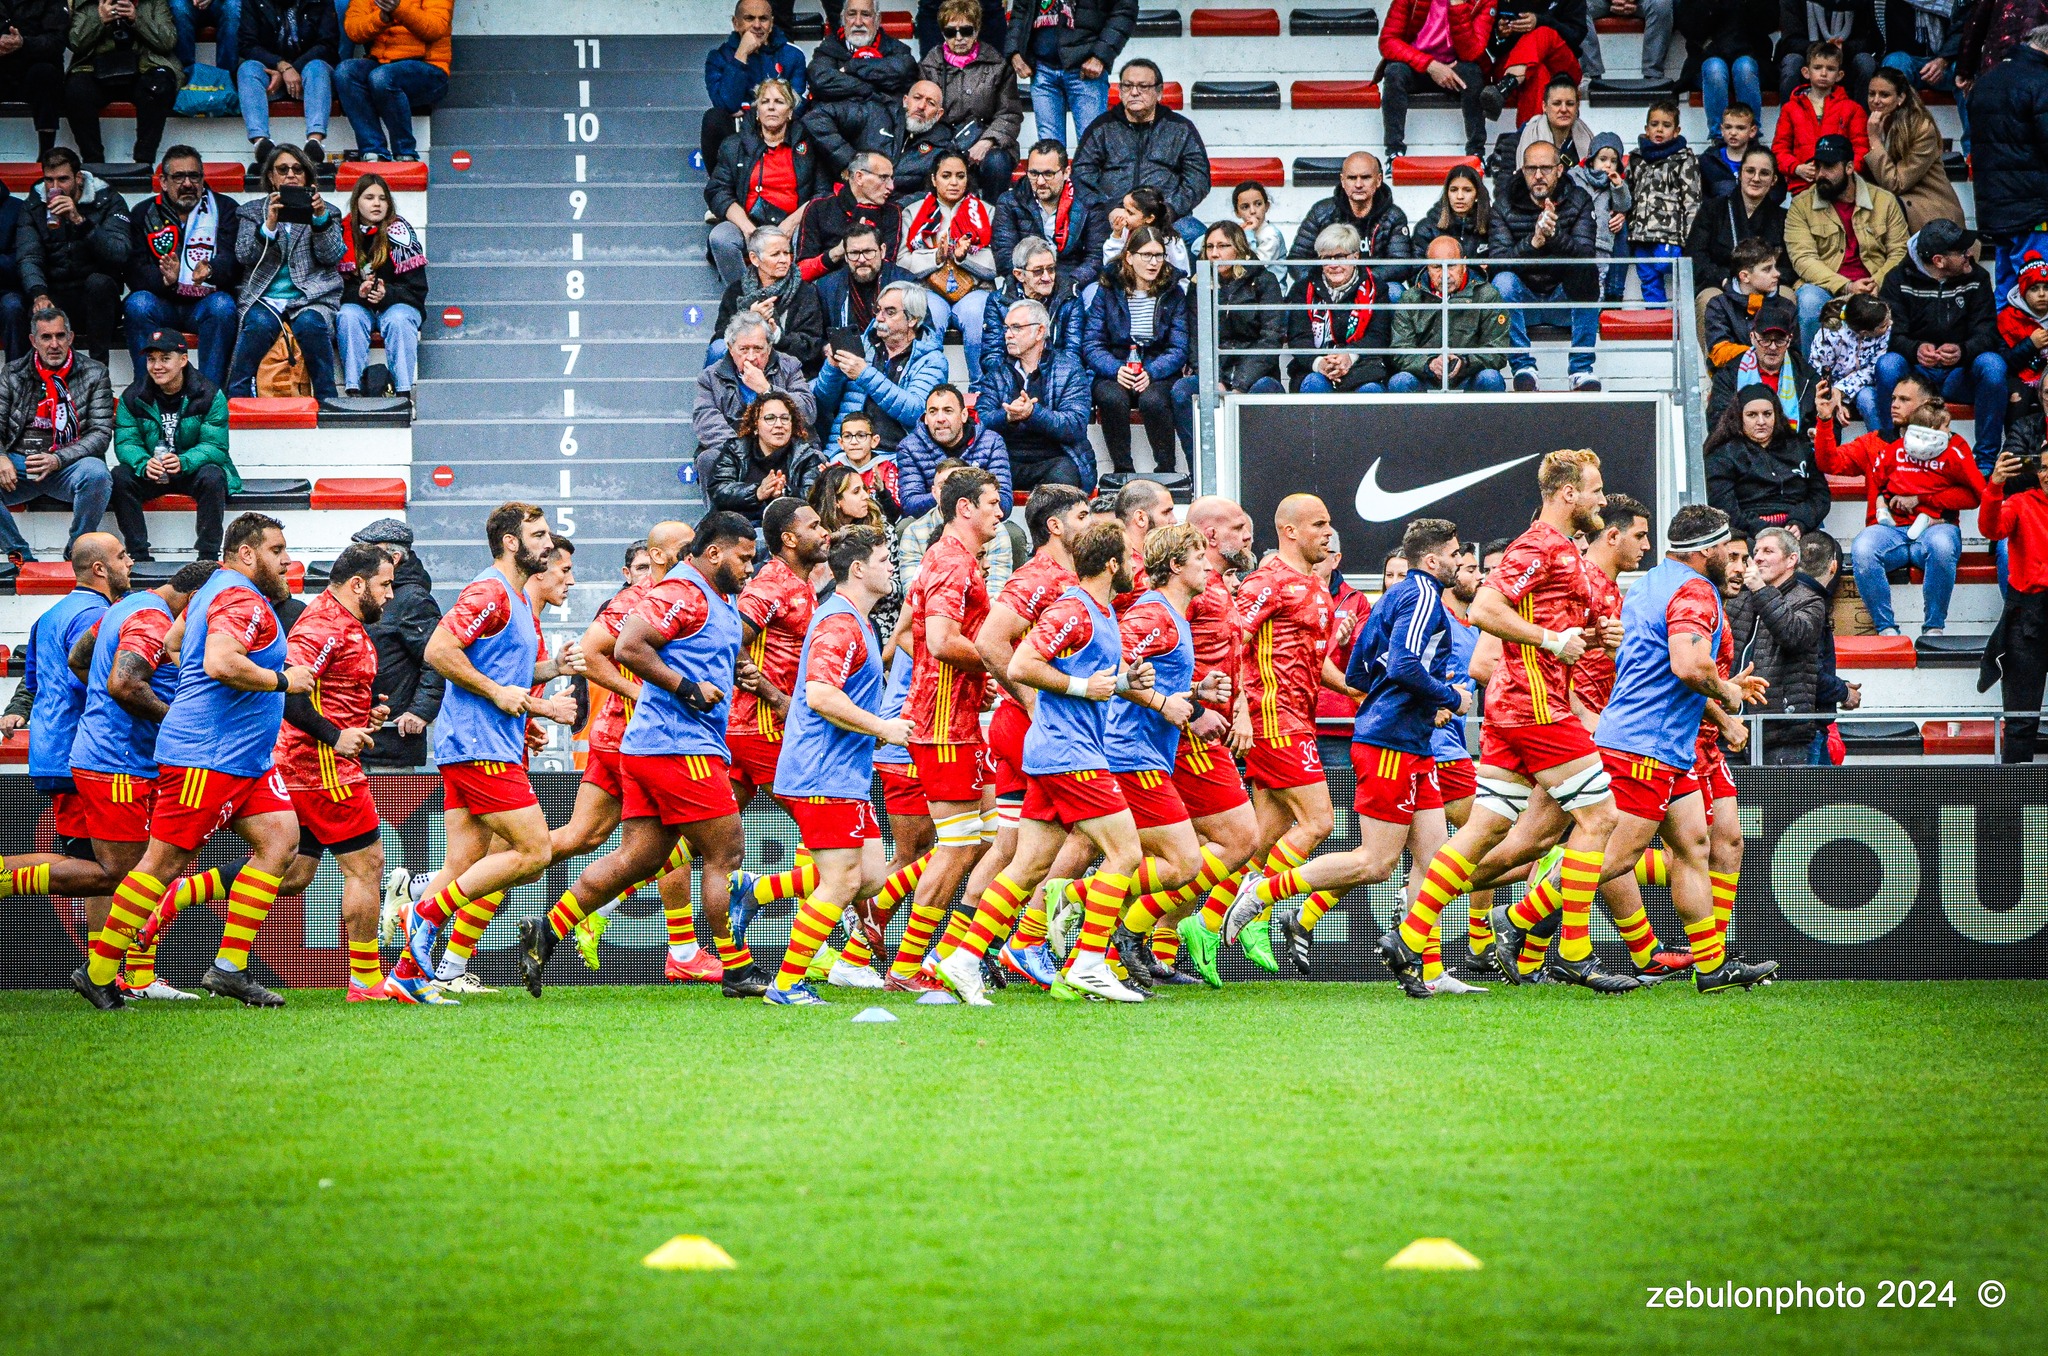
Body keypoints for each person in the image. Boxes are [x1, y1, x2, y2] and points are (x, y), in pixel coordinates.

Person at [1377, 450, 1635, 995]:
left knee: (1485, 828)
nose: (1601, 499)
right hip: (1536, 707)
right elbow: (1484, 609)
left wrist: (1592, 638)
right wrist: (1551, 641)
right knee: (1601, 817)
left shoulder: (1562, 549)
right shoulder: (1537, 544)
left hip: (1514, 709)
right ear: (1567, 495)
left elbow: (1554, 625)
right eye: (1595, 489)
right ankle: (1573, 953)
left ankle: (1410, 934)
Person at [516, 513, 764, 998]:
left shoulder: (711, 596)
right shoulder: (681, 592)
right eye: (745, 557)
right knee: (725, 852)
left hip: (651, 747)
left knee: (638, 860)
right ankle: (738, 971)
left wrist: (732, 672)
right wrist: (687, 688)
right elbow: (628, 647)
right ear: (713, 553)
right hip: (679, 747)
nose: (750, 568)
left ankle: (545, 933)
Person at [72, 514, 310, 1010]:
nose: (287, 560)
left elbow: (176, 643)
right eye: (277, 550)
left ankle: (229, 968)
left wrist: (201, 695)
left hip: (244, 758)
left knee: (281, 839)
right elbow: (220, 662)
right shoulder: (240, 597)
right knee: (160, 864)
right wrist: (284, 681)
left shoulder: (210, 590)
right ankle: (97, 974)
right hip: (207, 758)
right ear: (247, 553)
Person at [1230, 518, 1470, 980]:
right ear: (1434, 559)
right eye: (1457, 554)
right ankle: (1264, 893)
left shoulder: (1392, 597)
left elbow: (1359, 672)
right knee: (1376, 864)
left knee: (1436, 863)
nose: (1461, 562)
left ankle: (1430, 968)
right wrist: (1448, 696)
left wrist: (1398, 698)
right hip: (1390, 743)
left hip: (1409, 742)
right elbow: (1402, 664)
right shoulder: (1421, 595)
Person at [941, 519, 1157, 1003]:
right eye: (1128, 556)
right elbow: (1020, 665)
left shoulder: (1098, 613)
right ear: (1111, 563)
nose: (1135, 565)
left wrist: (1124, 683)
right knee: (1125, 853)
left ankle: (961, 958)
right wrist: (1085, 688)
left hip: (1057, 751)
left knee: (1029, 865)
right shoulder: (1073, 609)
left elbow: (1085, 676)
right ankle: (1088, 963)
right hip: (1069, 754)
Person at [394, 503, 586, 1001]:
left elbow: (502, 671)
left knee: (460, 867)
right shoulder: (490, 591)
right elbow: (439, 650)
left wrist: (545, 671)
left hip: (476, 746)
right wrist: (500, 695)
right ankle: (423, 911)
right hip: (482, 748)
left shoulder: (517, 599)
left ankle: (406, 975)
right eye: (539, 535)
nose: (548, 544)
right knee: (535, 850)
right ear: (509, 541)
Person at [1590, 504, 1777, 990]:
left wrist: (1717, 699)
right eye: (1727, 550)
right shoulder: (1696, 590)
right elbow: (1689, 667)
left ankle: (1712, 967)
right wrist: (1728, 693)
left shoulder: (1650, 583)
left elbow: (1663, 662)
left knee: (1697, 844)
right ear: (1707, 550)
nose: (1734, 560)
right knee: (1616, 857)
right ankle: (1520, 917)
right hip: (1646, 741)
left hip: (1665, 743)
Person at [758, 525, 906, 1003]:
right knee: (842, 880)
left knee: (869, 879)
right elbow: (821, 695)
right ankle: (786, 985)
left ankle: (753, 892)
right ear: (859, 569)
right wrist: (883, 728)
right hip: (823, 772)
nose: (892, 568)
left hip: (845, 776)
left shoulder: (855, 620)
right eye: (885, 561)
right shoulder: (838, 623)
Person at [63, 557, 218, 999]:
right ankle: (111, 974)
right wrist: (176, 723)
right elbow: (124, 685)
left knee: (136, 874)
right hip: (119, 763)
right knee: (127, 876)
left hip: (116, 757)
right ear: (195, 599)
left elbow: (81, 658)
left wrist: (103, 712)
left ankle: (123, 976)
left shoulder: (127, 606)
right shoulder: (153, 620)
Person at [1216, 495, 1356, 973]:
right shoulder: (1267, 581)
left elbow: (1316, 665)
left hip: (1299, 718)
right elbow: (1233, 640)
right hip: (1272, 720)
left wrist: (1357, 691)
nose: (1328, 533)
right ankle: (1260, 904)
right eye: (1319, 524)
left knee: (1260, 839)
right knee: (1320, 823)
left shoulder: (1317, 587)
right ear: (1290, 531)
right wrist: (1237, 710)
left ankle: (1203, 919)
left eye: (1329, 523)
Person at [883, 466, 1001, 989]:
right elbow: (939, 640)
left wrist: (973, 673)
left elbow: (910, 635)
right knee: (958, 844)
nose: (1001, 511)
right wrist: (996, 664)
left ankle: (929, 947)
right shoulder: (953, 564)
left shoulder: (944, 559)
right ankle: (909, 966)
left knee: (987, 838)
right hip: (944, 726)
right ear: (965, 508)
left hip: (953, 719)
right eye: (994, 502)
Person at [263, 541, 397, 999]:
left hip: (314, 763)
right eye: (385, 585)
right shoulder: (321, 626)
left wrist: (362, 720)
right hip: (321, 768)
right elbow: (290, 695)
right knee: (368, 866)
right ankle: (366, 981)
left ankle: (176, 895)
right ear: (357, 584)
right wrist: (336, 735)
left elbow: (327, 695)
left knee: (292, 875)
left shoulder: (346, 623)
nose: (390, 595)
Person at [1815, 380, 1985, 638]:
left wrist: (1921, 498)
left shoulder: (1952, 443)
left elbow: (1972, 495)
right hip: (1888, 532)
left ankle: (1933, 629)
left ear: (1927, 405)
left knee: (1942, 546)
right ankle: (1886, 629)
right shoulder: (1875, 442)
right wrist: (1825, 420)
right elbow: (1830, 462)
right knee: (1862, 548)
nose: (1894, 404)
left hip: (1934, 529)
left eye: (1904, 399)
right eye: (1893, 398)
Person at [1874, 219, 2007, 467]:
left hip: (1960, 373)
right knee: (1888, 365)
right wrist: (1915, 349)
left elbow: (1988, 333)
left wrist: (1963, 351)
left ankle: (1985, 462)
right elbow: (1889, 335)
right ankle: (1891, 450)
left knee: (1993, 365)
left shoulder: (1978, 277)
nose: (1970, 254)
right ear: (1939, 260)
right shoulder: (1897, 279)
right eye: (1961, 252)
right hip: (1917, 375)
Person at [227, 143, 344, 399]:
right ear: (271, 176)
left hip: (312, 297)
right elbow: (244, 255)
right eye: (283, 169)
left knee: (312, 324)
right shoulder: (251, 212)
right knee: (257, 325)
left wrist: (320, 218)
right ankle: (236, 400)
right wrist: (268, 224)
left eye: (297, 169)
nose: (291, 175)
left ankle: (328, 400)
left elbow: (332, 255)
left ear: (307, 176)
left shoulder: (329, 212)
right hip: (264, 297)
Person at [0, 306, 115, 564]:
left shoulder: (95, 373)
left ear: (71, 337)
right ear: (33, 341)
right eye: (46, 337)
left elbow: (100, 433)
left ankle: (78, 550)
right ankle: (20, 555)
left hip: (68, 466)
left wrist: (58, 459)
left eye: (60, 336)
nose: (54, 344)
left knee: (97, 474)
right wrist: (1, 457)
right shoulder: (13, 372)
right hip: (20, 465)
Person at [109, 328, 236, 561]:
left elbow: (215, 447)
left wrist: (185, 461)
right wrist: (143, 464)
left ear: (183, 360)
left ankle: (207, 556)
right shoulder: (133, 396)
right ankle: (138, 554)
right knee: (120, 476)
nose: (157, 366)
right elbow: (126, 442)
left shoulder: (209, 394)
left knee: (213, 476)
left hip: (190, 469)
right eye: (151, 359)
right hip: (153, 470)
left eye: (165, 358)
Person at [122, 148, 241, 391]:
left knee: (223, 306)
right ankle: (145, 391)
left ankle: (208, 395)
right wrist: (164, 279)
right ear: (163, 182)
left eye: (194, 176)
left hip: (204, 304)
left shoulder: (225, 208)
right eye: (178, 177)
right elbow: (133, 271)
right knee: (137, 304)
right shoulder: (144, 213)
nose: (188, 183)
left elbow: (235, 262)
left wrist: (210, 271)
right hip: (162, 303)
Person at [1786, 134, 1910, 357]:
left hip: (1876, 284)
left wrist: (1878, 281)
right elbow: (1802, 258)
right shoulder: (1801, 205)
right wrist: (1847, 286)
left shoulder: (1884, 201)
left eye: (1830, 167)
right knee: (1808, 299)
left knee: (1903, 293)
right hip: (1827, 288)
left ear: (1850, 167)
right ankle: (1813, 379)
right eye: (1818, 166)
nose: (1821, 174)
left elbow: (1900, 251)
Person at [1490, 140, 1600, 392]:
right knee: (1502, 282)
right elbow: (1497, 264)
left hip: (1562, 299)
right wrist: (1534, 241)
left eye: (1546, 168)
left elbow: (1585, 255)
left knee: (1587, 273)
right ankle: (1523, 367)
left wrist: (1554, 235)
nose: (1538, 175)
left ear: (1560, 170)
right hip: (1522, 302)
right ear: (1522, 171)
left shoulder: (1579, 199)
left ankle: (1581, 369)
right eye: (1531, 169)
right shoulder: (1504, 205)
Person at [1071, 58, 1210, 253]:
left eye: (1143, 86)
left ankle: (1188, 284)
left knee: (1201, 240)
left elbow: (1198, 179)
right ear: (1119, 91)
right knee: (1078, 238)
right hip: (1112, 218)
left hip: (1167, 219)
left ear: (1159, 92)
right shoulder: (1101, 127)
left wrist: (1167, 211)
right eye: (1127, 86)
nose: (1134, 92)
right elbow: (1082, 173)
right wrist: (1108, 209)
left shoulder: (1180, 128)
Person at [1082, 224, 1187, 475]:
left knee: (1154, 400)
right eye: (1146, 255)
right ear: (1129, 257)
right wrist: (1115, 369)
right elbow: (1092, 342)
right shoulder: (1108, 289)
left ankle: (1166, 470)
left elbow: (1179, 346)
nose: (1154, 262)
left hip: (1156, 367)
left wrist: (1151, 371)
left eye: (1159, 255)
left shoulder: (1173, 292)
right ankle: (1122, 471)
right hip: (1117, 364)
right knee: (1110, 397)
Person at [1174, 222, 1284, 456]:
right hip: (1215, 373)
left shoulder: (1264, 281)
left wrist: (1240, 385)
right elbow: (1195, 338)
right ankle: (1200, 466)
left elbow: (1270, 339)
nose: (1215, 253)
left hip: (1257, 375)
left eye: (1223, 246)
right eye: (1210, 247)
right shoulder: (1199, 285)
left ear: (1240, 248)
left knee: (1265, 390)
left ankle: (1255, 465)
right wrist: (1214, 380)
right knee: (1182, 391)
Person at [1720, 524, 1825, 764]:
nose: (1757, 558)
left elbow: (1794, 636)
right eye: (1755, 552)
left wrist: (1761, 590)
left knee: (1781, 802)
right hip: (1733, 725)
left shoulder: (1809, 601)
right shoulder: (1740, 599)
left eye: (1768, 551)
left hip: (1782, 734)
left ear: (1791, 560)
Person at [15, 149, 129, 364]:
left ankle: (100, 372)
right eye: (49, 180)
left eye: (63, 179)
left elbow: (119, 253)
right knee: (23, 305)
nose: (55, 187)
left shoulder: (108, 200)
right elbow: (28, 256)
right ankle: (40, 384)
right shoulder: (33, 206)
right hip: (56, 294)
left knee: (99, 284)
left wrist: (79, 220)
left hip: (97, 300)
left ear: (78, 178)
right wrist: (39, 294)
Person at [707, 79, 823, 290]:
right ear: (757, 111)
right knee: (721, 238)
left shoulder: (809, 146)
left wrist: (790, 225)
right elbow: (718, 191)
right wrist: (749, 230)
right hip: (749, 221)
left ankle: (791, 297)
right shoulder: (734, 145)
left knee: (808, 237)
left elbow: (822, 194)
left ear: (790, 112)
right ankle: (744, 297)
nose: (771, 106)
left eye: (779, 101)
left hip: (793, 223)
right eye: (765, 101)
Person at [812, 278, 948, 454]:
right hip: (846, 451)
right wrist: (832, 367)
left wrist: (864, 374)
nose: (879, 318)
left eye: (890, 312)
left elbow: (916, 413)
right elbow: (824, 403)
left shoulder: (932, 360)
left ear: (913, 319)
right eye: (878, 310)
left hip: (898, 455)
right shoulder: (860, 345)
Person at [978, 295, 1094, 492]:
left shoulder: (1069, 370)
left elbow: (1075, 425)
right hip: (1007, 460)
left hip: (1054, 459)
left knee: (1064, 474)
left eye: (1016, 327)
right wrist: (1007, 416)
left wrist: (1033, 414)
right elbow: (981, 420)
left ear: (1040, 331)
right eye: (1006, 328)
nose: (1008, 334)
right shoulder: (998, 371)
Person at [353, 516, 443, 767]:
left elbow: (439, 658)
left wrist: (421, 711)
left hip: (390, 746)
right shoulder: (366, 594)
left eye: (369, 551)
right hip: (360, 742)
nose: (359, 558)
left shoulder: (413, 599)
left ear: (394, 559)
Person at [1966, 23, 2048, 296]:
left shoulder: (1987, 80)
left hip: (1997, 208)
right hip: (2036, 210)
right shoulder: (2042, 82)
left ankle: (2005, 340)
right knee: (2039, 296)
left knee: (2008, 290)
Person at [691, 311, 815, 490]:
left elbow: (808, 412)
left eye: (758, 349)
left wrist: (767, 389)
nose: (751, 357)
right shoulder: (710, 377)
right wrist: (746, 450)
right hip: (732, 447)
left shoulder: (789, 366)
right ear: (730, 348)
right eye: (743, 349)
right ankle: (722, 518)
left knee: (814, 458)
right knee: (708, 459)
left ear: (769, 347)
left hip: (783, 446)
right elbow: (706, 422)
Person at [898, 149, 997, 373]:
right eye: (946, 175)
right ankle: (930, 385)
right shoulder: (913, 213)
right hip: (928, 290)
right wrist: (936, 257)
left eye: (960, 176)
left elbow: (996, 265)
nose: (954, 182)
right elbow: (902, 263)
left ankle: (980, 389)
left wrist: (964, 258)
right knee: (931, 315)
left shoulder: (987, 212)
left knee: (976, 315)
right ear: (933, 179)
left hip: (975, 290)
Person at [1980, 447, 2048, 762]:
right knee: (2021, 719)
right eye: (2043, 467)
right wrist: (1994, 485)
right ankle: (2012, 805)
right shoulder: (2022, 502)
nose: (2046, 474)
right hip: (2028, 619)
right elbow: (1990, 529)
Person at [916, 0, 1023, 201]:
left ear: (977, 30)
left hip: (987, 140)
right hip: (945, 140)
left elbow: (1010, 113)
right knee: (928, 160)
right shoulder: (929, 66)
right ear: (942, 33)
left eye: (966, 31)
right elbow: (923, 112)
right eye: (951, 32)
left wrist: (987, 141)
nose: (959, 38)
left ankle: (994, 216)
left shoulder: (998, 65)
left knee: (997, 162)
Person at [335, 172, 425, 396]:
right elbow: (333, 287)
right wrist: (360, 293)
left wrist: (387, 294)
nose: (377, 203)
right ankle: (353, 389)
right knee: (347, 316)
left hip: (397, 305)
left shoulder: (402, 233)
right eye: (369, 197)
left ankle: (403, 392)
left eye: (382, 198)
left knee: (399, 319)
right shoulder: (342, 233)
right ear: (357, 202)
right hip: (359, 306)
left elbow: (418, 289)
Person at [1704, 382, 1832, 538]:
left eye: (1767, 414)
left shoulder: (1799, 448)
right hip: (1748, 534)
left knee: (1825, 553)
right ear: (1739, 417)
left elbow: (1820, 495)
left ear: (1776, 415)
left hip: (1797, 530)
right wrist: (1765, 531)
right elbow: (1724, 508)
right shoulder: (1723, 454)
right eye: (1752, 415)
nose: (1761, 421)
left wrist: (1800, 521)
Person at [1687, 146, 1790, 338]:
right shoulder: (1712, 210)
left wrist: (1763, 282)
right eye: (1750, 171)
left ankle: (1779, 365)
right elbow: (1696, 255)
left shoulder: (1784, 218)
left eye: (1764, 173)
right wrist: (1726, 279)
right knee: (1707, 300)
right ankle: (1718, 367)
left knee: (1788, 296)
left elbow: (1790, 265)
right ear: (1740, 174)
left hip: (1769, 289)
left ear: (1774, 180)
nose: (1756, 178)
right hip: (1721, 285)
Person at [1006, 0, 1137, 151]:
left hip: (1086, 69)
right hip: (1041, 67)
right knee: (1049, 153)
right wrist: (1014, 51)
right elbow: (1021, 7)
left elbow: (1125, 9)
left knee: (1092, 150)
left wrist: (1101, 56)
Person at [702, 0, 808, 184]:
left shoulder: (793, 55)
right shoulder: (717, 57)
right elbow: (726, 105)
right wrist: (741, 54)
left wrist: (753, 110)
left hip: (780, 129)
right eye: (749, 18)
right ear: (736, 23)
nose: (757, 25)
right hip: (738, 132)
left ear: (772, 22)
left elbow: (796, 105)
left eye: (763, 19)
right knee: (713, 119)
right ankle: (722, 192)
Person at [1388, 235, 1510, 393]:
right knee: (1399, 381)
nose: (1444, 274)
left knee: (1491, 378)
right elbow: (1400, 349)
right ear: (1427, 267)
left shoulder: (1487, 296)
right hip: (1424, 378)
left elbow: (1497, 350)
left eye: (1451, 265)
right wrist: (1429, 364)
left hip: (1469, 376)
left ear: (1464, 264)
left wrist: (1464, 363)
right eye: (1437, 267)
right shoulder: (1411, 298)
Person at [64, 0, 180, 166]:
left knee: (159, 86)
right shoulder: (86, 3)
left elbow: (167, 41)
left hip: (144, 66)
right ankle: (93, 162)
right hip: (95, 69)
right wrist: (99, 19)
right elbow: (75, 42)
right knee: (76, 90)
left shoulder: (155, 2)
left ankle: (143, 161)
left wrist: (137, 19)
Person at [336, 0, 451, 164]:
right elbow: (353, 30)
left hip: (429, 69)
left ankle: (405, 153)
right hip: (382, 65)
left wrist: (399, 9)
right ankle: (373, 151)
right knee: (345, 72)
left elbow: (435, 28)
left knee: (382, 77)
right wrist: (382, 17)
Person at [1286, 222, 1390, 396]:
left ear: (1355, 257)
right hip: (1316, 367)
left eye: (1340, 257)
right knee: (1314, 383)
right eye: (1327, 258)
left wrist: (1349, 356)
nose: (1333, 265)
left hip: (1362, 367)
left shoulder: (1376, 289)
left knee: (1370, 390)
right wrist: (1320, 363)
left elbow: (1379, 336)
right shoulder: (1303, 289)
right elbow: (1299, 338)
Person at [1378, 0, 1491, 158]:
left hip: (1454, 68)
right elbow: (1388, 41)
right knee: (1394, 72)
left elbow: (1471, 53)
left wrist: (1458, 7)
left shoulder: (1482, 1)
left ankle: (1476, 152)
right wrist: (1430, 65)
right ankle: (1394, 152)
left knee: (1473, 74)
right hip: (1417, 65)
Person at [992, 139, 1106, 297]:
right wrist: (1034, 280)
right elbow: (1005, 255)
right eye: (1033, 173)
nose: (1040, 182)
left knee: (1095, 293)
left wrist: (1068, 283)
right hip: (1027, 281)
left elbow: (1096, 257)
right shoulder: (1009, 202)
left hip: (1072, 281)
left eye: (1048, 174)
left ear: (1066, 172)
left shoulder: (1089, 202)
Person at [709, 224, 825, 376]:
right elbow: (720, 338)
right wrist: (748, 321)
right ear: (754, 259)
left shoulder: (805, 292)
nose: (784, 260)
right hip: (742, 371)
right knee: (717, 348)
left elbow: (812, 347)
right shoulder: (736, 291)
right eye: (775, 254)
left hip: (790, 373)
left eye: (787, 253)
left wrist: (776, 334)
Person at [1861, 66, 1965, 234]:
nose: (1876, 100)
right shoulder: (1872, 122)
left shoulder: (1921, 128)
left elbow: (1896, 184)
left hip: (1930, 211)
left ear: (1901, 97)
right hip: (1901, 207)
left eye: (1884, 95)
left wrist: (1874, 140)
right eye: (1871, 94)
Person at [238, 0, 339, 164]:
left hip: (308, 76)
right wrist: (280, 66)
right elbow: (247, 44)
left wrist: (292, 69)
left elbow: (327, 44)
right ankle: (261, 143)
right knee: (247, 69)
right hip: (271, 74)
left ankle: (315, 142)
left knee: (317, 68)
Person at [1288, 152, 1413, 284]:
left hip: (1375, 285)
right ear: (1342, 181)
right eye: (1352, 178)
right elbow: (1297, 260)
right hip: (1329, 283)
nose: (1358, 184)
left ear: (1378, 180)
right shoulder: (1321, 212)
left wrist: (1358, 280)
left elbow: (1400, 264)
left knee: (1395, 290)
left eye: (1365, 177)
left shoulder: (1394, 216)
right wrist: (1326, 281)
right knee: (1298, 293)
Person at [708, 390, 825, 526]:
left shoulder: (806, 455)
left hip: (786, 531)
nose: (779, 424)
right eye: (770, 418)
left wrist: (784, 492)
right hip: (735, 528)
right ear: (755, 426)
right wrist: (757, 492)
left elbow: (813, 496)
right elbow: (718, 491)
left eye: (785, 418)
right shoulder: (735, 450)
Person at [977, 235, 1081, 388]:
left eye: (1051, 269)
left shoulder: (1070, 297)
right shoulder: (998, 301)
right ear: (1019, 275)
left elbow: (1072, 353)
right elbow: (992, 357)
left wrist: (1045, 382)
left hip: (1058, 383)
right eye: (1038, 271)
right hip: (1012, 382)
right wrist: (1020, 381)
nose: (1047, 277)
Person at [1625, 99, 1701, 306]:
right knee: (1648, 277)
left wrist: (1690, 238)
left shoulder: (1684, 159)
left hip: (1670, 234)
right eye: (1654, 124)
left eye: (1666, 126)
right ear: (1646, 129)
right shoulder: (1636, 159)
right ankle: (1656, 314)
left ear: (1676, 131)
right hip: (1640, 233)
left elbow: (1692, 200)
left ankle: (1684, 310)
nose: (1659, 130)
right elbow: (1628, 193)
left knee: (1665, 264)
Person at [896, 382, 1010, 518]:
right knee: (904, 526)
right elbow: (910, 505)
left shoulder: (991, 442)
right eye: (933, 412)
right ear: (926, 418)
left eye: (948, 411)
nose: (940, 419)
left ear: (964, 415)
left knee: (1014, 534)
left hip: (979, 522)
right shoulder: (909, 447)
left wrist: (951, 492)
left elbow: (1004, 502)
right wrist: (961, 495)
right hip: (931, 522)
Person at [1773, 40, 1870, 196]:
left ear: (1840, 75)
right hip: (1803, 187)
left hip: (1841, 189)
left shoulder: (1852, 109)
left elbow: (1861, 149)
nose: (1824, 73)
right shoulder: (1790, 109)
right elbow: (1779, 149)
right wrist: (1797, 168)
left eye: (1830, 69)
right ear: (1806, 72)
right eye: (1817, 68)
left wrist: (1843, 171)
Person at [1708, 295, 1817, 432]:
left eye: (1779, 340)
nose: (1772, 347)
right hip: (1743, 451)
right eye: (1765, 340)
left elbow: (1827, 424)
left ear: (1789, 340)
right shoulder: (1728, 375)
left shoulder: (1808, 377)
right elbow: (1717, 425)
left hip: (1792, 450)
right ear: (1752, 337)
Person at [793, 152, 903, 283]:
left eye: (891, 179)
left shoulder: (892, 212)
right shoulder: (820, 207)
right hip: (824, 290)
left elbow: (888, 269)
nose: (891, 187)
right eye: (884, 178)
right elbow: (801, 273)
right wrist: (837, 252)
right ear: (859, 177)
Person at [1479, 0, 1587, 127]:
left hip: (1561, 67)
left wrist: (1540, 21)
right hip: (1514, 66)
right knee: (1537, 73)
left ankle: (1508, 83)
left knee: (1543, 32)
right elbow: (1493, 49)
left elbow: (1576, 36)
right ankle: (1528, 139)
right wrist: (1501, 34)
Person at [807, 0, 918, 116]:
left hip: (885, 124)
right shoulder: (828, 48)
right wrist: (872, 87)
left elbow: (903, 72)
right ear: (843, 18)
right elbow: (820, 81)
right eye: (852, 14)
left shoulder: (898, 51)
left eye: (865, 14)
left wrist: (852, 67)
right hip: (838, 123)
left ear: (878, 19)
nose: (858, 22)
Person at [1679, 0, 1768, 138]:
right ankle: (1718, 137)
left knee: (1745, 68)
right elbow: (1690, 28)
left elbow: (1769, 23)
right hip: (1706, 57)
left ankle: (1751, 134)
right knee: (1715, 69)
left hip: (1748, 55)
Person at [1805, 292, 1892, 430]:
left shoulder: (1885, 332)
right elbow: (1820, 370)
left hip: (1863, 385)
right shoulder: (1829, 335)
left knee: (1868, 399)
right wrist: (1833, 396)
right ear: (1864, 332)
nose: (1890, 325)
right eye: (1883, 325)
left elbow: (1873, 369)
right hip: (1831, 387)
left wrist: (1842, 390)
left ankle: (1881, 444)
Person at [1703, 237, 1788, 370]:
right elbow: (1719, 352)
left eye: (1775, 267)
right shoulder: (1718, 306)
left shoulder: (1786, 306)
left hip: (1777, 382)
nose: (1777, 274)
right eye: (1767, 269)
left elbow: (1794, 354)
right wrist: (1762, 354)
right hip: (1732, 382)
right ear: (1745, 276)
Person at [812, 223, 911, 333]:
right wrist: (826, 347)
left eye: (868, 252)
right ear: (845, 255)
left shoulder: (906, 283)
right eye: (854, 253)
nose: (861, 259)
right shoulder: (827, 287)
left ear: (882, 251)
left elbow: (925, 335)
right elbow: (818, 336)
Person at [0, 0, 66, 159]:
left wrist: (23, 43)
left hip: (34, 68)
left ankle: (46, 153)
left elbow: (57, 42)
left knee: (46, 73)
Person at [1408, 163, 1494, 265]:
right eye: (1454, 190)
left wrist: (1486, 270)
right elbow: (1416, 271)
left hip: (1482, 281)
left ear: (1477, 195)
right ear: (1447, 193)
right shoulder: (1427, 228)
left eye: (1467, 190)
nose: (1460, 196)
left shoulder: (1493, 225)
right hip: (1439, 281)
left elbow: (1502, 266)